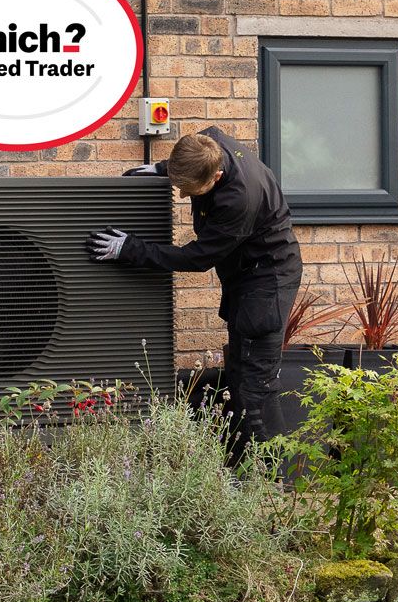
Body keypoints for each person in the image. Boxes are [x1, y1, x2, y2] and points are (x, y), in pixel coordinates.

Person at [90, 128, 302, 454]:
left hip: (267, 284)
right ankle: (239, 468)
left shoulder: (239, 199)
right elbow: (186, 161)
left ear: (216, 176)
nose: (181, 195)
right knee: (237, 376)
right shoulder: (207, 143)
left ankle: (270, 483)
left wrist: (129, 249)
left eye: (189, 189)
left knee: (255, 385)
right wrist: (163, 169)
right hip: (246, 279)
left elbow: (199, 257)